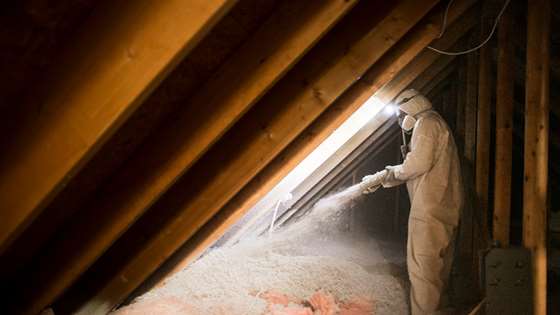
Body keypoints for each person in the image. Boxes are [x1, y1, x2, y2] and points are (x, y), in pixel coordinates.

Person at [361, 89, 463, 315]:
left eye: (399, 112)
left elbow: (415, 166)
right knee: (438, 267)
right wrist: (387, 177)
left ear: (411, 106)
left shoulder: (426, 124)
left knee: (423, 269)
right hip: (445, 206)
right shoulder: (437, 123)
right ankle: (440, 309)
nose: (399, 118)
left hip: (428, 208)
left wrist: (382, 176)